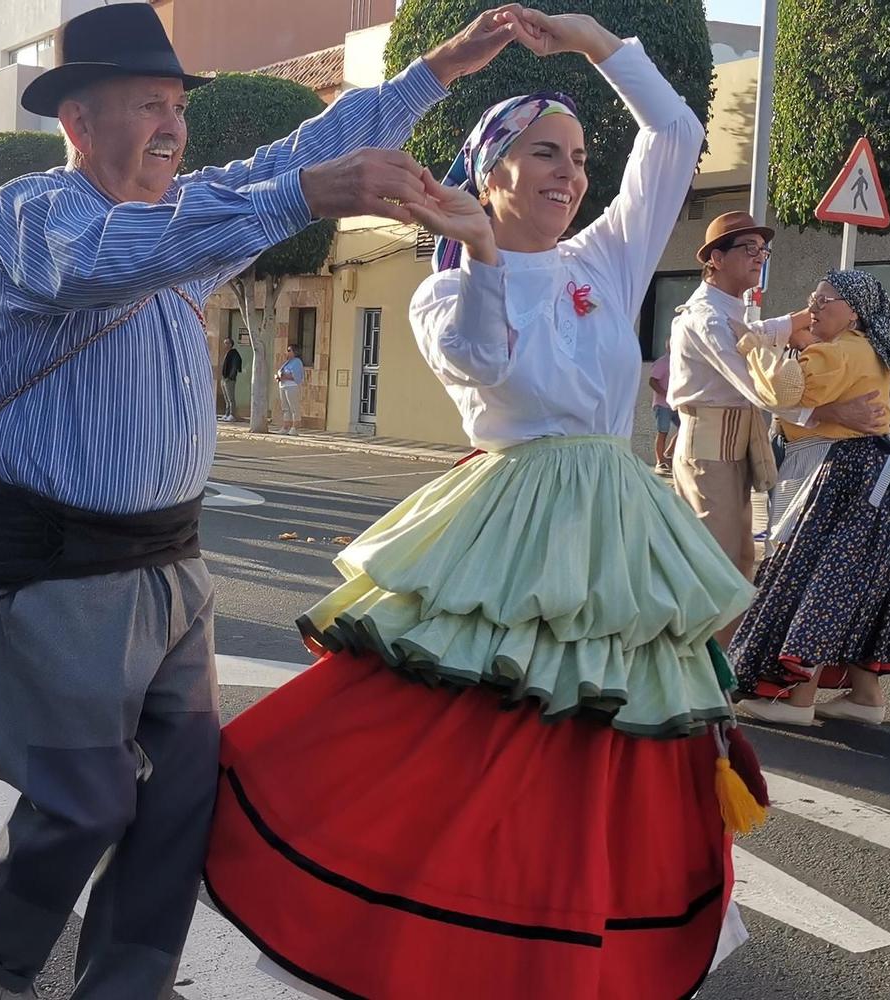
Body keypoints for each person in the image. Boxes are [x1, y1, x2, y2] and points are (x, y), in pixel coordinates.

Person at [0, 3, 528, 996]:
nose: (172, 125)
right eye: (147, 104)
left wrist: (435, 70)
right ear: (79, 122)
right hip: (58, 571)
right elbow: (107, 257)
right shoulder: (36, 211)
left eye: (177, 104)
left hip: (174, 569)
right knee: (82, 804)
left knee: (179, 808)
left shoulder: (193, 212)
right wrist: (304, 192)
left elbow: (303, 152)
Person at [206, 12, 772, 998]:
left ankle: (572, 935)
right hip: (516, 515)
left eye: (579, 156)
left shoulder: (608, 256)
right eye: (542, 154)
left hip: (618, 520)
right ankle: (423, 920)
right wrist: (479, 254)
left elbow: (674, 135)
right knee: (470, 734)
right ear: (491, 172)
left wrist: (597, 43)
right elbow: (485, 372)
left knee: (602, 742)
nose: (569, 172)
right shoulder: (442, 290)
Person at [729, 270, 890, 727]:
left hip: (846, 472)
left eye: (824, 300)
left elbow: (780, 388)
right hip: (882, 475)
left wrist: (754, 343)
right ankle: (864, 695)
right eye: (811, 297)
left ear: (853, 311)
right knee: (867, 581)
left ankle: (800, 699)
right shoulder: (868, 349)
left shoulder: (839, 352)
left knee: (817, 577)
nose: (812, 307)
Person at [666, 210, 887, 594]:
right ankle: (706, 652)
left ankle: (726, 650)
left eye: (763, 249)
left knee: (739, 559)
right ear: (715, 259)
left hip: (736, 449)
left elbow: (759, 333)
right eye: (748, 248)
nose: (759, 256)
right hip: (709, 448)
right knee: (713, 563)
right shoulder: (707, 318)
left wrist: (807, 314)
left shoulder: (730, 312)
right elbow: (757, 385)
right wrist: (828, 412)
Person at [648, 358, 677, 474]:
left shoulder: (680, 359)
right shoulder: (662, 362)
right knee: (663, 432)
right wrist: (665, 393)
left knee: (685, 428)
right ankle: (660, 461)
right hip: (663, 404)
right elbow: (652, 381)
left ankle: (667, 454)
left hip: (676, 403)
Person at [274, 343, 304, 433]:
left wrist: (283, 376)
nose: (287, 352)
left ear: (295, 352)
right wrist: (278, 377)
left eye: (289, 350)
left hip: (291, 386)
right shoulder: (287, 362)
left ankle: (295, 427)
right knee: (285, 407)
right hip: (283, 385)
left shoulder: (297, 362)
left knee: (293, 407)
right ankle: (286, 426)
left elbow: (295, 376)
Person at [218, 337, 242, 421]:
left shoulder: (234, 353)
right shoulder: (227, 353)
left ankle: (232, 414)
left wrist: (230, 376)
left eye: (227, 343)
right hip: (224, 378)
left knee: (231, 398)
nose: (225, 345)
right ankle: (227, 413)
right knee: (226, 398)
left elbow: (235, 365)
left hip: (229, 379)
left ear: (231, 344)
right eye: (225, 343)